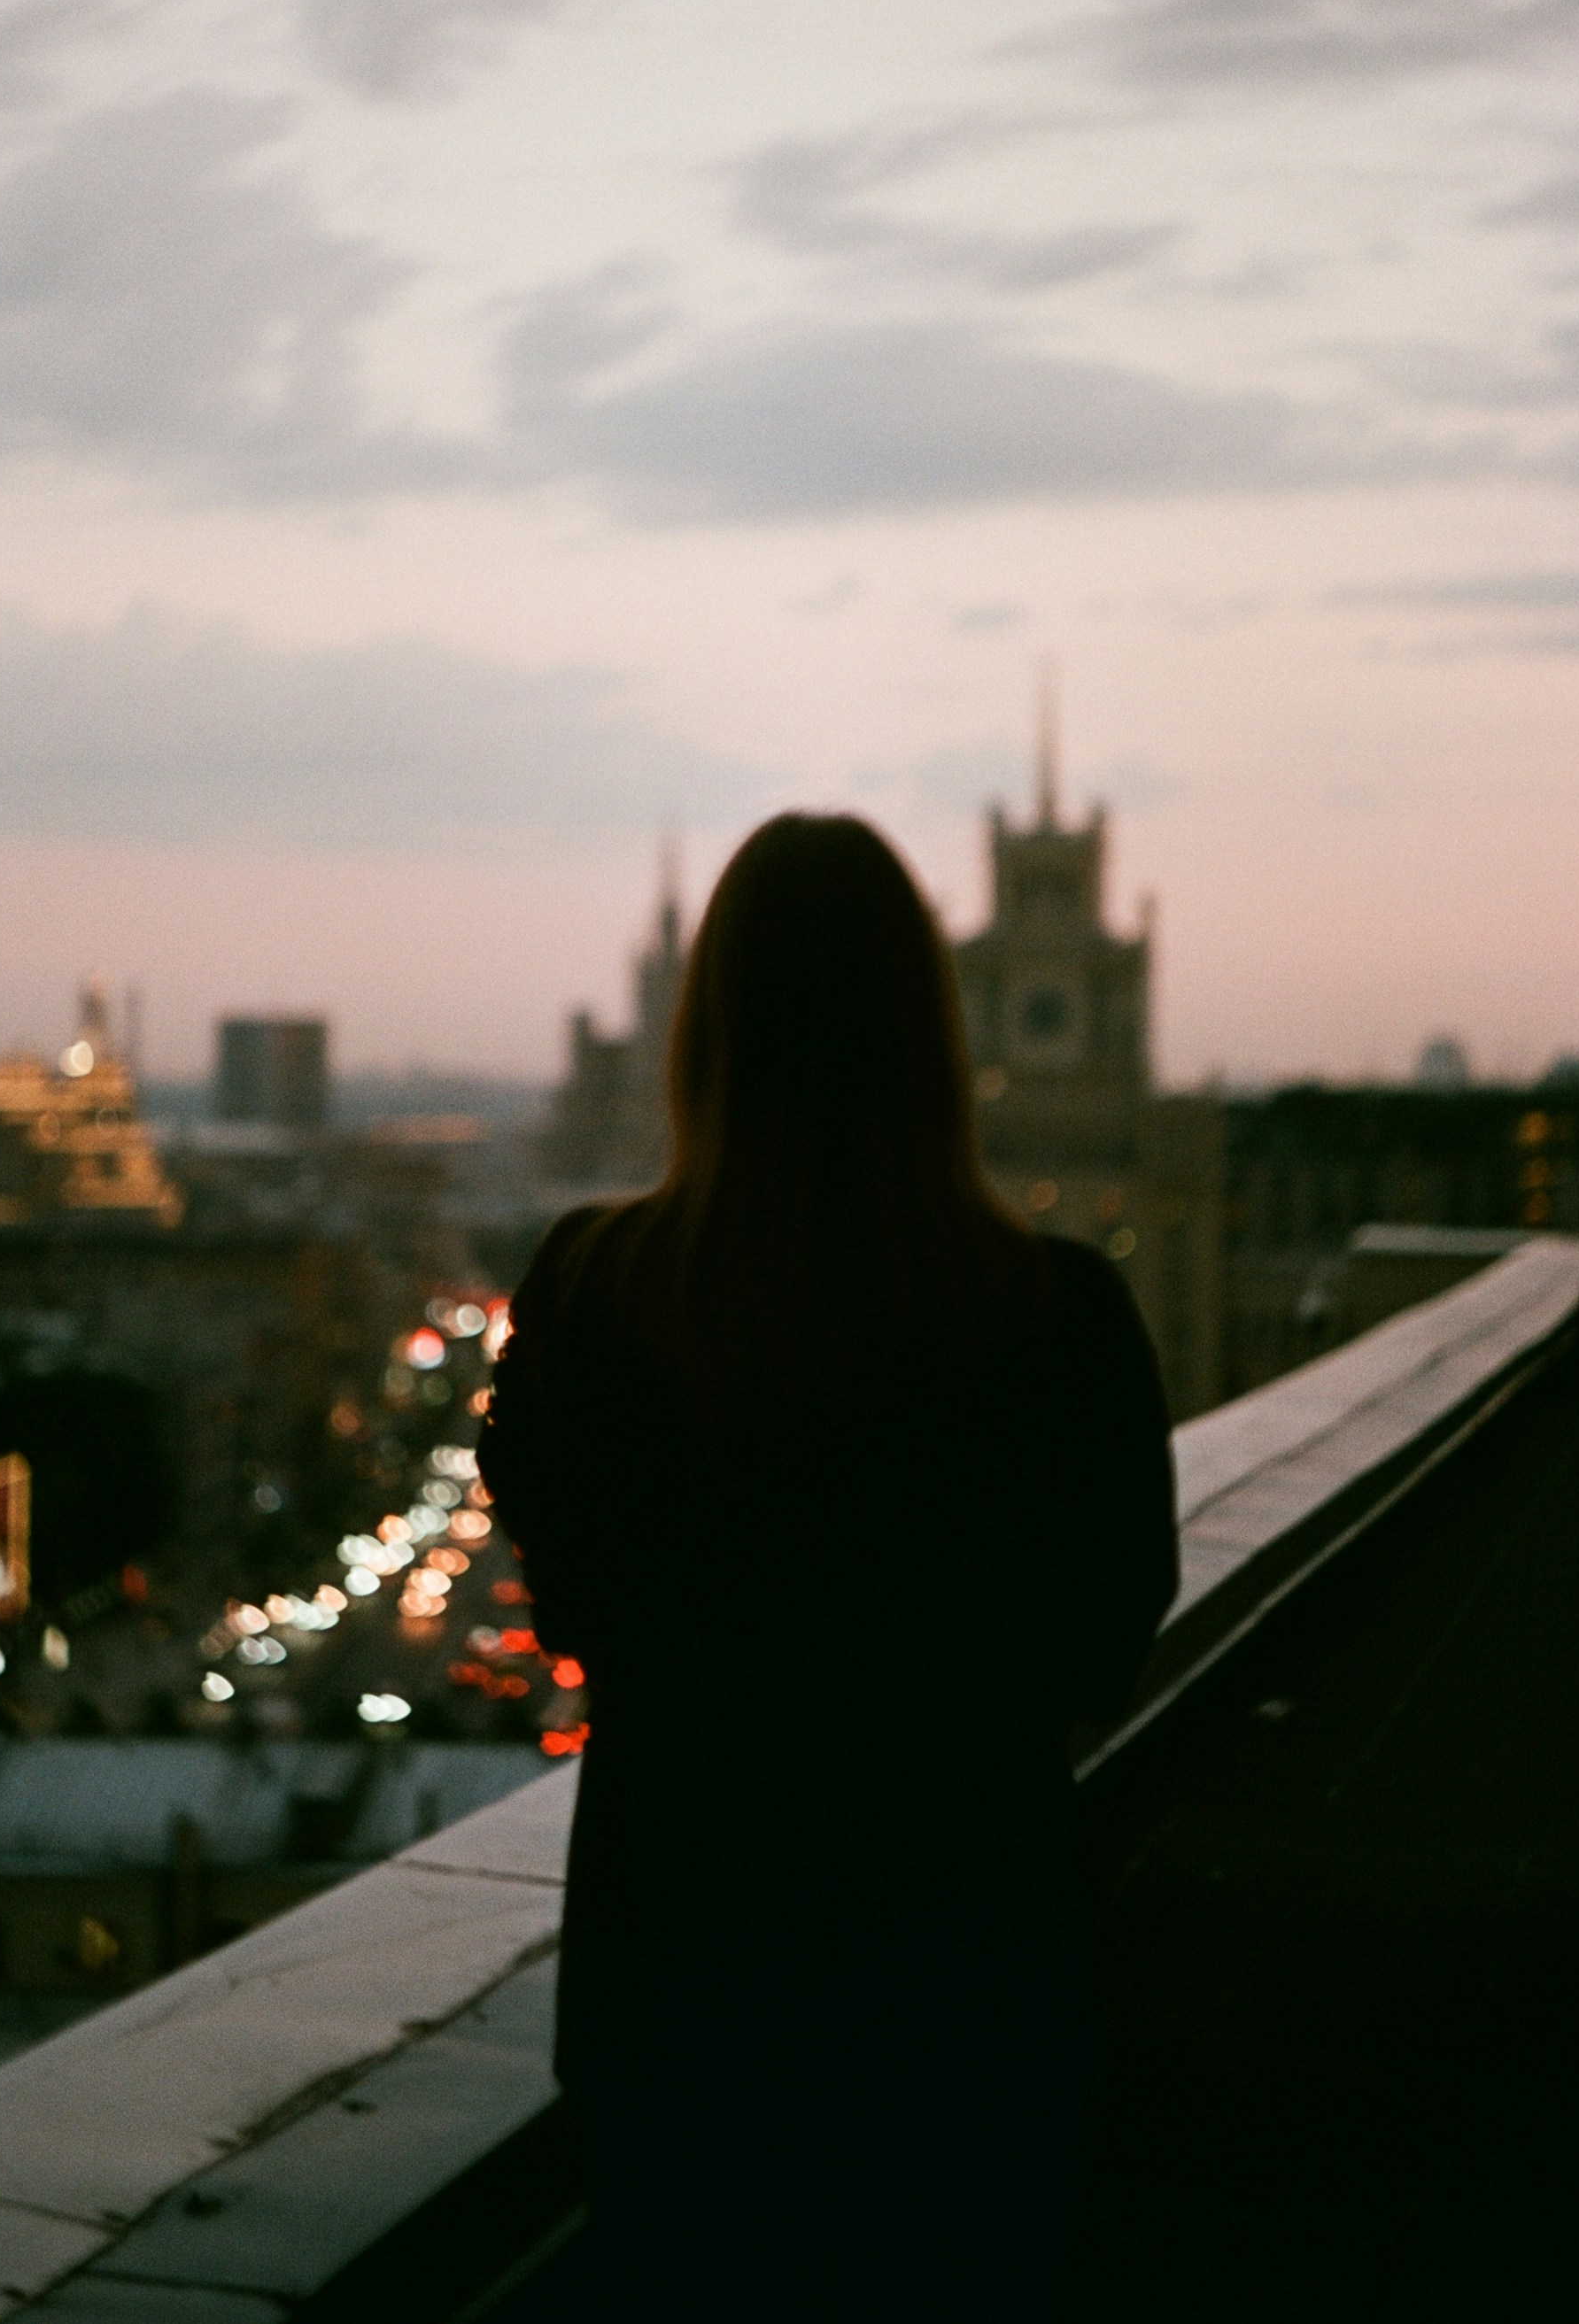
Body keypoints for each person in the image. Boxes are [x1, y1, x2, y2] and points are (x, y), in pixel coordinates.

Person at [480, 813, 1177, 2318]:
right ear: (937, 1032)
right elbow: (1106, 1635)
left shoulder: (592, 1295)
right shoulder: (1061, 1319)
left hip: (682, 1976)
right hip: (963, 1977)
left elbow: (570, 1600)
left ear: (703, 1031)